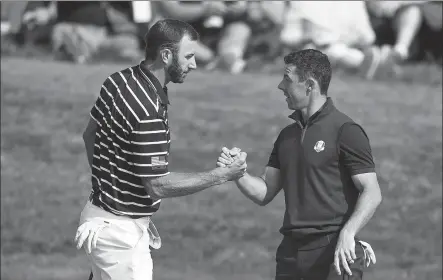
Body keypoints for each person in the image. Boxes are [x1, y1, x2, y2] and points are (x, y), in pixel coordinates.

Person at [74, 19, 247, 280]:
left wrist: (109, 185)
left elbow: (90, 135)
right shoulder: (148, 111)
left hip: (98, 216)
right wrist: (222, 175)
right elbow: (157, 185)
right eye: (188, 56)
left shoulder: (118, 80)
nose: (194, 64)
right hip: (120, 237)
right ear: (166, 55)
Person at [217, 49, 382, 279]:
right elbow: (264, 193)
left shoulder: (346, 131)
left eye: (287, 79)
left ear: (310, 85)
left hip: (334, 252)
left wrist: (349, 233)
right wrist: (238, 173)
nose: (280, 86)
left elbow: (371, 192)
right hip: (291, 254)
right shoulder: (286, 136)